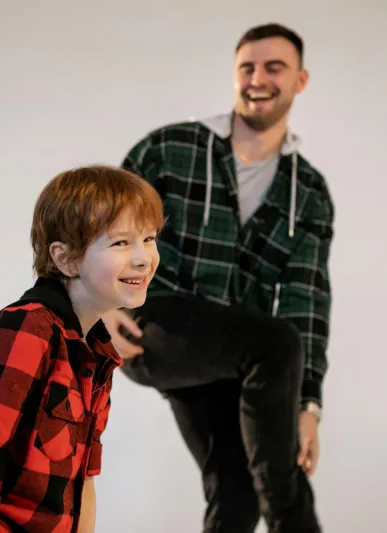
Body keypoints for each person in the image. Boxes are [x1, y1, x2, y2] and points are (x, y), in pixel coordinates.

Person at [106, 23, 335, 533]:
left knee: (235, 496)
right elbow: (100, 226)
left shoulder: (309, 193)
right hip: (155, 324)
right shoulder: (171, 148)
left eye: (274, 67)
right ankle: (292, 521)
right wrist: (100, 308)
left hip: (238, 356)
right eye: (247, 67)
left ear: (300, 80)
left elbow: (306, 300)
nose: (258, 78)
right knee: (276, 342)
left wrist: (307, 406)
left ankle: (271, 507)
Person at [0, 165, 163, 533]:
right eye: (121, 242)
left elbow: (83, 481)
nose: (144, 257)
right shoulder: (25, 333)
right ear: (65, 258)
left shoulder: (96, 352)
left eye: (149, 238)